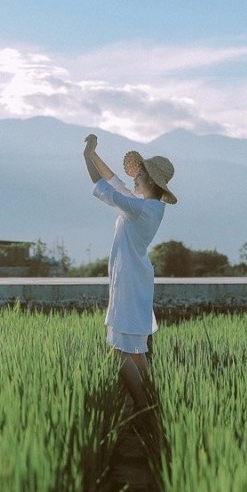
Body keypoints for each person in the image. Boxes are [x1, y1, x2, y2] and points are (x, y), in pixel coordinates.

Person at [83, 133, 176, 409]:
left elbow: (104, 187)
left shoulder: (139, 209)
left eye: (140, 174)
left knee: (121, 352)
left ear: (150, 180)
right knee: (136, 351)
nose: (135, 178)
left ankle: (143, 404)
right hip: (136, 279)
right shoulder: (149, 207)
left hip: (129, 282)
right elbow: (116, 184)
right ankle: (148, 402)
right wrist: (93, 155)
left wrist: (88, 156)